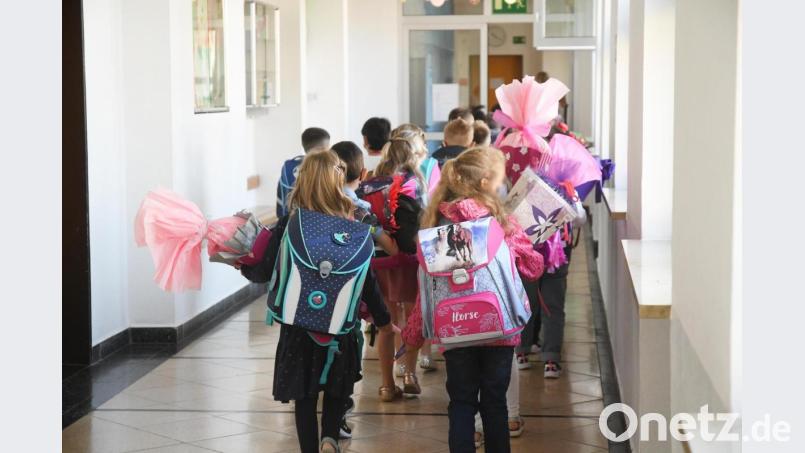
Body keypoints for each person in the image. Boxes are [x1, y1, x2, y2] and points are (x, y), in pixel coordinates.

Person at [241, 150, 393, 453]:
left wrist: (242, 263)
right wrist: (383, 317)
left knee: (305, 396)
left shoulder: (289, 224)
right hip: (342, 327)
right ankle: (330, 438)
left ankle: (310, 447)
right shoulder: (358, 223)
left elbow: (262, 270)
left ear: (303, 183)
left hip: (299, 325)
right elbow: (367, 280)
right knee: (338, 388)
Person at [401, 147, 544, 453]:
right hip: (499, 331)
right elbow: (534, 268)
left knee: (461, 404)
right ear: (483, 184)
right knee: (495, 405)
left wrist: (413, 336)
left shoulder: (435, 228)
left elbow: (425, 289)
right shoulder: (501, 223)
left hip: (455, 332)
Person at [359, 138, 424, 401]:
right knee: (411, 318)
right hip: (407, 260)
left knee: (385, 322)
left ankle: (386, 385)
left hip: (379, 260)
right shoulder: (413, 183)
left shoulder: (371, 183)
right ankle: (409, 373)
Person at [276, 127, 330, 217]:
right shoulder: (325, 168)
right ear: (322, 149)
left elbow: (281, 200)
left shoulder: (288, 166)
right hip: (316, 222)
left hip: (289, 220)